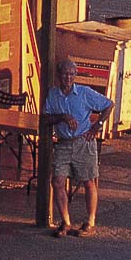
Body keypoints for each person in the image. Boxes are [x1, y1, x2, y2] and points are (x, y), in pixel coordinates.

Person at [40, 56, 112, 236]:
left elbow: (108, 105)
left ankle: (90, 222)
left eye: (72, 74)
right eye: (65, 74)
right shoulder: (53, 94)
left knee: (88, 181)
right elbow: (46, 118)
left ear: (76, 75)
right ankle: (65, 222)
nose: (68, 78)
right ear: (59, 75)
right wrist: (63, 117)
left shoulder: (84, 93)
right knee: (57, 181)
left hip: (83, 142)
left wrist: (98, 125)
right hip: (64, 143)